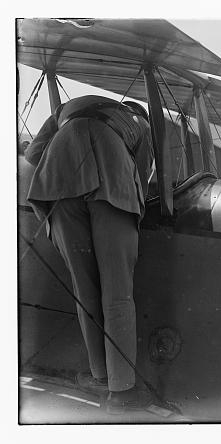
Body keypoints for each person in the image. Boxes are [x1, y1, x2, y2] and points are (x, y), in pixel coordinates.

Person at [24, 95, 155, 413]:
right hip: (112, 185)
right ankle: (122, 391)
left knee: (86, 291)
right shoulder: (140, 124)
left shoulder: (64, 111)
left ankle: (99, 377)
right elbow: (140, 174)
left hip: (58, 184)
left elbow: (32, 154)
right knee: (117, 294)